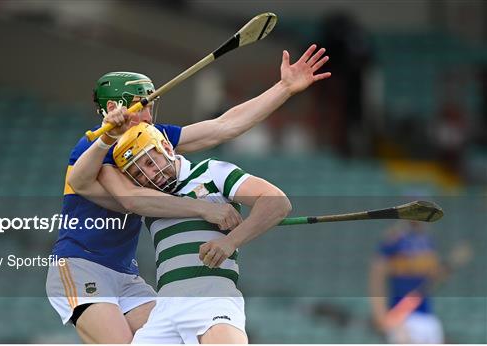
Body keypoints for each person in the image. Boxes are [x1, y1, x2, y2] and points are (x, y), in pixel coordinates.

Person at [48, 44, 330, 343]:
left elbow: (224, 126)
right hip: (82, 264)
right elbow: (123, 196)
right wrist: (205, 209)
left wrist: (284, 88)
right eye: (140, 105)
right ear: (116, 108)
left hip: (126, 274)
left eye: (149, 104)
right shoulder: (96, 146)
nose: (148, 112)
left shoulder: (155, 138)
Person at [87, 121, 291, 343]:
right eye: (139, 172)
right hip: (165, 309)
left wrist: (229, 242)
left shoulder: (211, 171)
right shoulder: (147, 199)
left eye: (149, 161)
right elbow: (81, 181)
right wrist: (105, 138)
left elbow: (277, 203)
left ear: (165, 146)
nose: (150, 174)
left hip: (212, 297)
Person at [369, 220, 445, 343]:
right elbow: (376, 277)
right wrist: (380, 314)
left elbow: (433, 280)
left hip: (427, 316)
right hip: (402, 318)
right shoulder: (394, 241)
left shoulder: (428, 242)